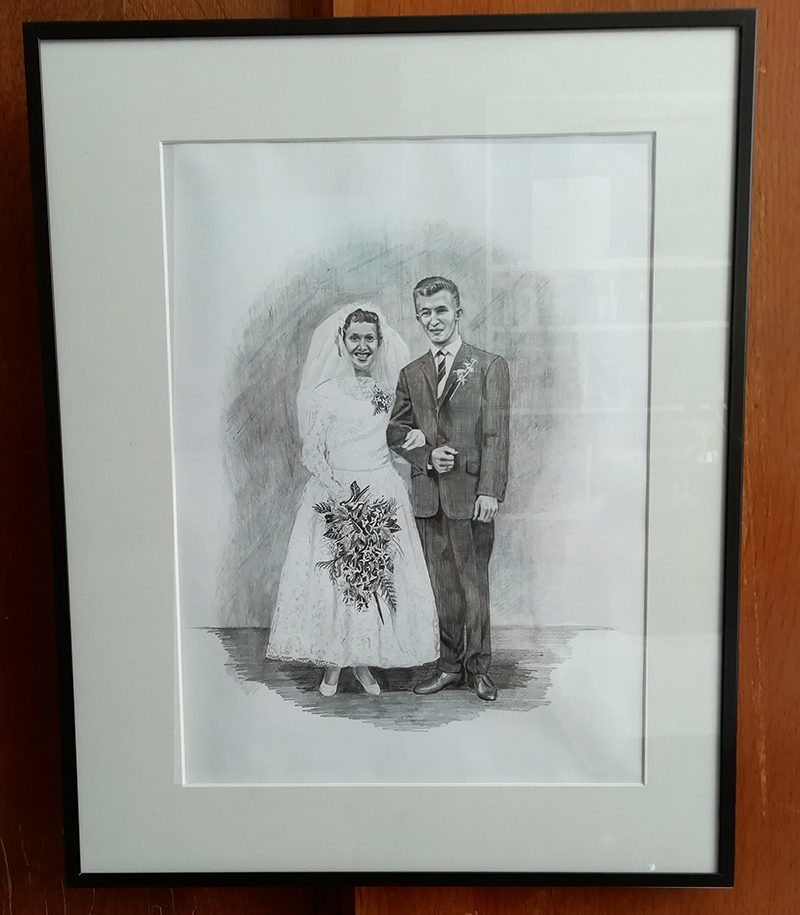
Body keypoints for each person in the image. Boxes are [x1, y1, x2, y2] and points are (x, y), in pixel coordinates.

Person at [266, 306, 440, 696]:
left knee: (372, 579)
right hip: (337, 491)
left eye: (369, 339)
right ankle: (333, 664)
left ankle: (362, 663)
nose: (362, 346)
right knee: (337, 580)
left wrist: (414, 440)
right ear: (342, 342)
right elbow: (312, 452)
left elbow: (394, 446)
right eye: (355, 338)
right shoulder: (324, 394)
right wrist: (338, 492)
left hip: (381, 492)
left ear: (379, 344)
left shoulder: (390, 395)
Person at [387, 277, 510, 701]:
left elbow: (496, 435)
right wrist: (425, 457)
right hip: (428, 499)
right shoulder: (411, 373)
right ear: (418, 317)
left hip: (472, 498)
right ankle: (449, 666)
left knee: (474, 586)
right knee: (442, 588)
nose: (434, 319)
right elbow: (395, 431)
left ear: (457, 312)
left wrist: (490, 491)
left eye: (441, 310)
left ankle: (479, 669)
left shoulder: (489, 366)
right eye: (425, 312)